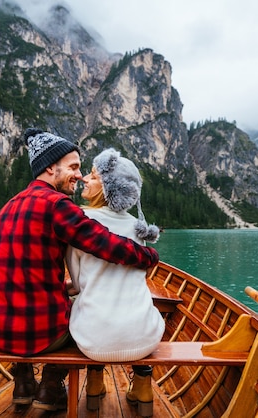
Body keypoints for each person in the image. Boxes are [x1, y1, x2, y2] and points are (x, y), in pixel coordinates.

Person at [0, 129, 159, 412]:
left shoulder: (7, 207)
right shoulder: (56, 204)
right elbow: (104, 243)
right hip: (40, 336)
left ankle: (23, 383)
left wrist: (65, 287)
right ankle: (50, 388)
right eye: (73, 167)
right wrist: (147, 256)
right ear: (51, 167)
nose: (79, 174)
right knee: (80, 313)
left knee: (40, 298)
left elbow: (28, 275)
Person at [65, 148, 164, 417]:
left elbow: (77, 281)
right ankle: (143, 386)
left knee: (82, 305)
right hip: (145, 339)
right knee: (138, 304)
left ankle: (94, 384)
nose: (84, 178)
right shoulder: (137, 228)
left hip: (92, 342)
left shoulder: (80, 225)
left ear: (110, 188)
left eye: (94, 176)